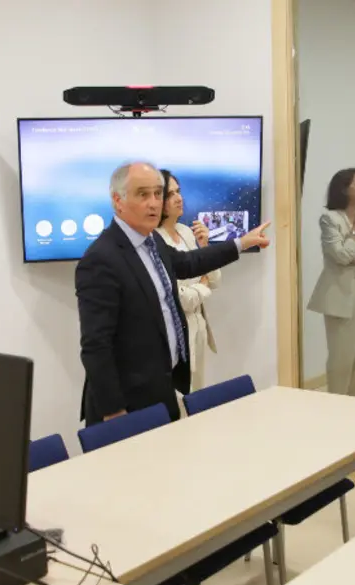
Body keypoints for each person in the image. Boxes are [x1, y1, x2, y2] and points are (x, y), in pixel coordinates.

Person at [77, 161, 269, 425]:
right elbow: (95, 346)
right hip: (126, 404)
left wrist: (241, 243)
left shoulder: (151, 241)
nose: (154, 203)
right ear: (117, 200)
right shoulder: (100, 259)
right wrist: (113, 412)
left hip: (162, 387)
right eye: (143, 195)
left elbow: (188, 262)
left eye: (158, 193)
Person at [307, 168, 355, 396]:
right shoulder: (330, 219)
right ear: (343, 188)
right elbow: (340, 256)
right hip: (339, 294)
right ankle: (336, 404)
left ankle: (353, 400)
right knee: (342, 357)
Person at [157, 169, 220, 393]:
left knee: (198, 392)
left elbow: (214, 280)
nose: (179, 198)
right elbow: (180, 298)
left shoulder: (186, 231)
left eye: (179, 191)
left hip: (199, 325)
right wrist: (201, 285)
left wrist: (205, 248)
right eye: (170, 194)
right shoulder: (155, 240)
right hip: (176, 332)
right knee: (180, 397)